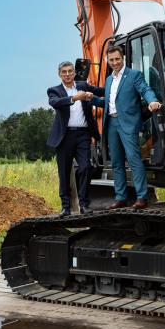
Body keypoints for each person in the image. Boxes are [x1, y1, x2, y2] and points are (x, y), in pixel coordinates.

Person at [91, 45, 162, 209]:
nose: (115, 62)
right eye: (111, 60)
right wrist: (93, 98)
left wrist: (152, 100)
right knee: (116, 163)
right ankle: (121, 197)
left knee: (134, 159)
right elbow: (109, 103)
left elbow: (145, 89)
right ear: (107, 60)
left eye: (117, 59)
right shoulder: (109, 79)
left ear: (122, 58)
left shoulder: (133, 75)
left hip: (128, 124)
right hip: (112, 124)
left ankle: (142, 197)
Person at [46, 61, 103, 217]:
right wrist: (74, 98)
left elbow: (101, 90)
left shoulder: (83, 85)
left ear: (74, 73)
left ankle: (84, 204)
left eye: (70, 71)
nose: (67, 74)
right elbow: (55, 103)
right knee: (64, 172)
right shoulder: (54, 90)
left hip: (83, 135)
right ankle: (65, 207)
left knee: (85, 167)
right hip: (64, 137)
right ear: (59, 74)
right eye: (64, 72)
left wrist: (93, 95)